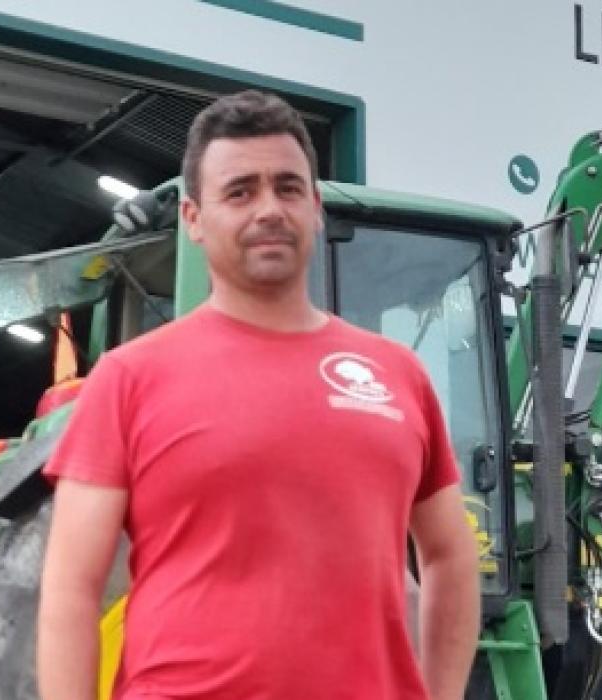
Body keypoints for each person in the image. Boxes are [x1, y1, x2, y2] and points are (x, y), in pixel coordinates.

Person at [38, 90, 480, 700]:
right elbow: (70, 589)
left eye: (288, 187)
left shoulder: (395, 376)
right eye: (240, 191)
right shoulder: (129, 378)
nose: (269, 208)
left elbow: (451, 558)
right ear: (193, 218)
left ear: (316, 208)